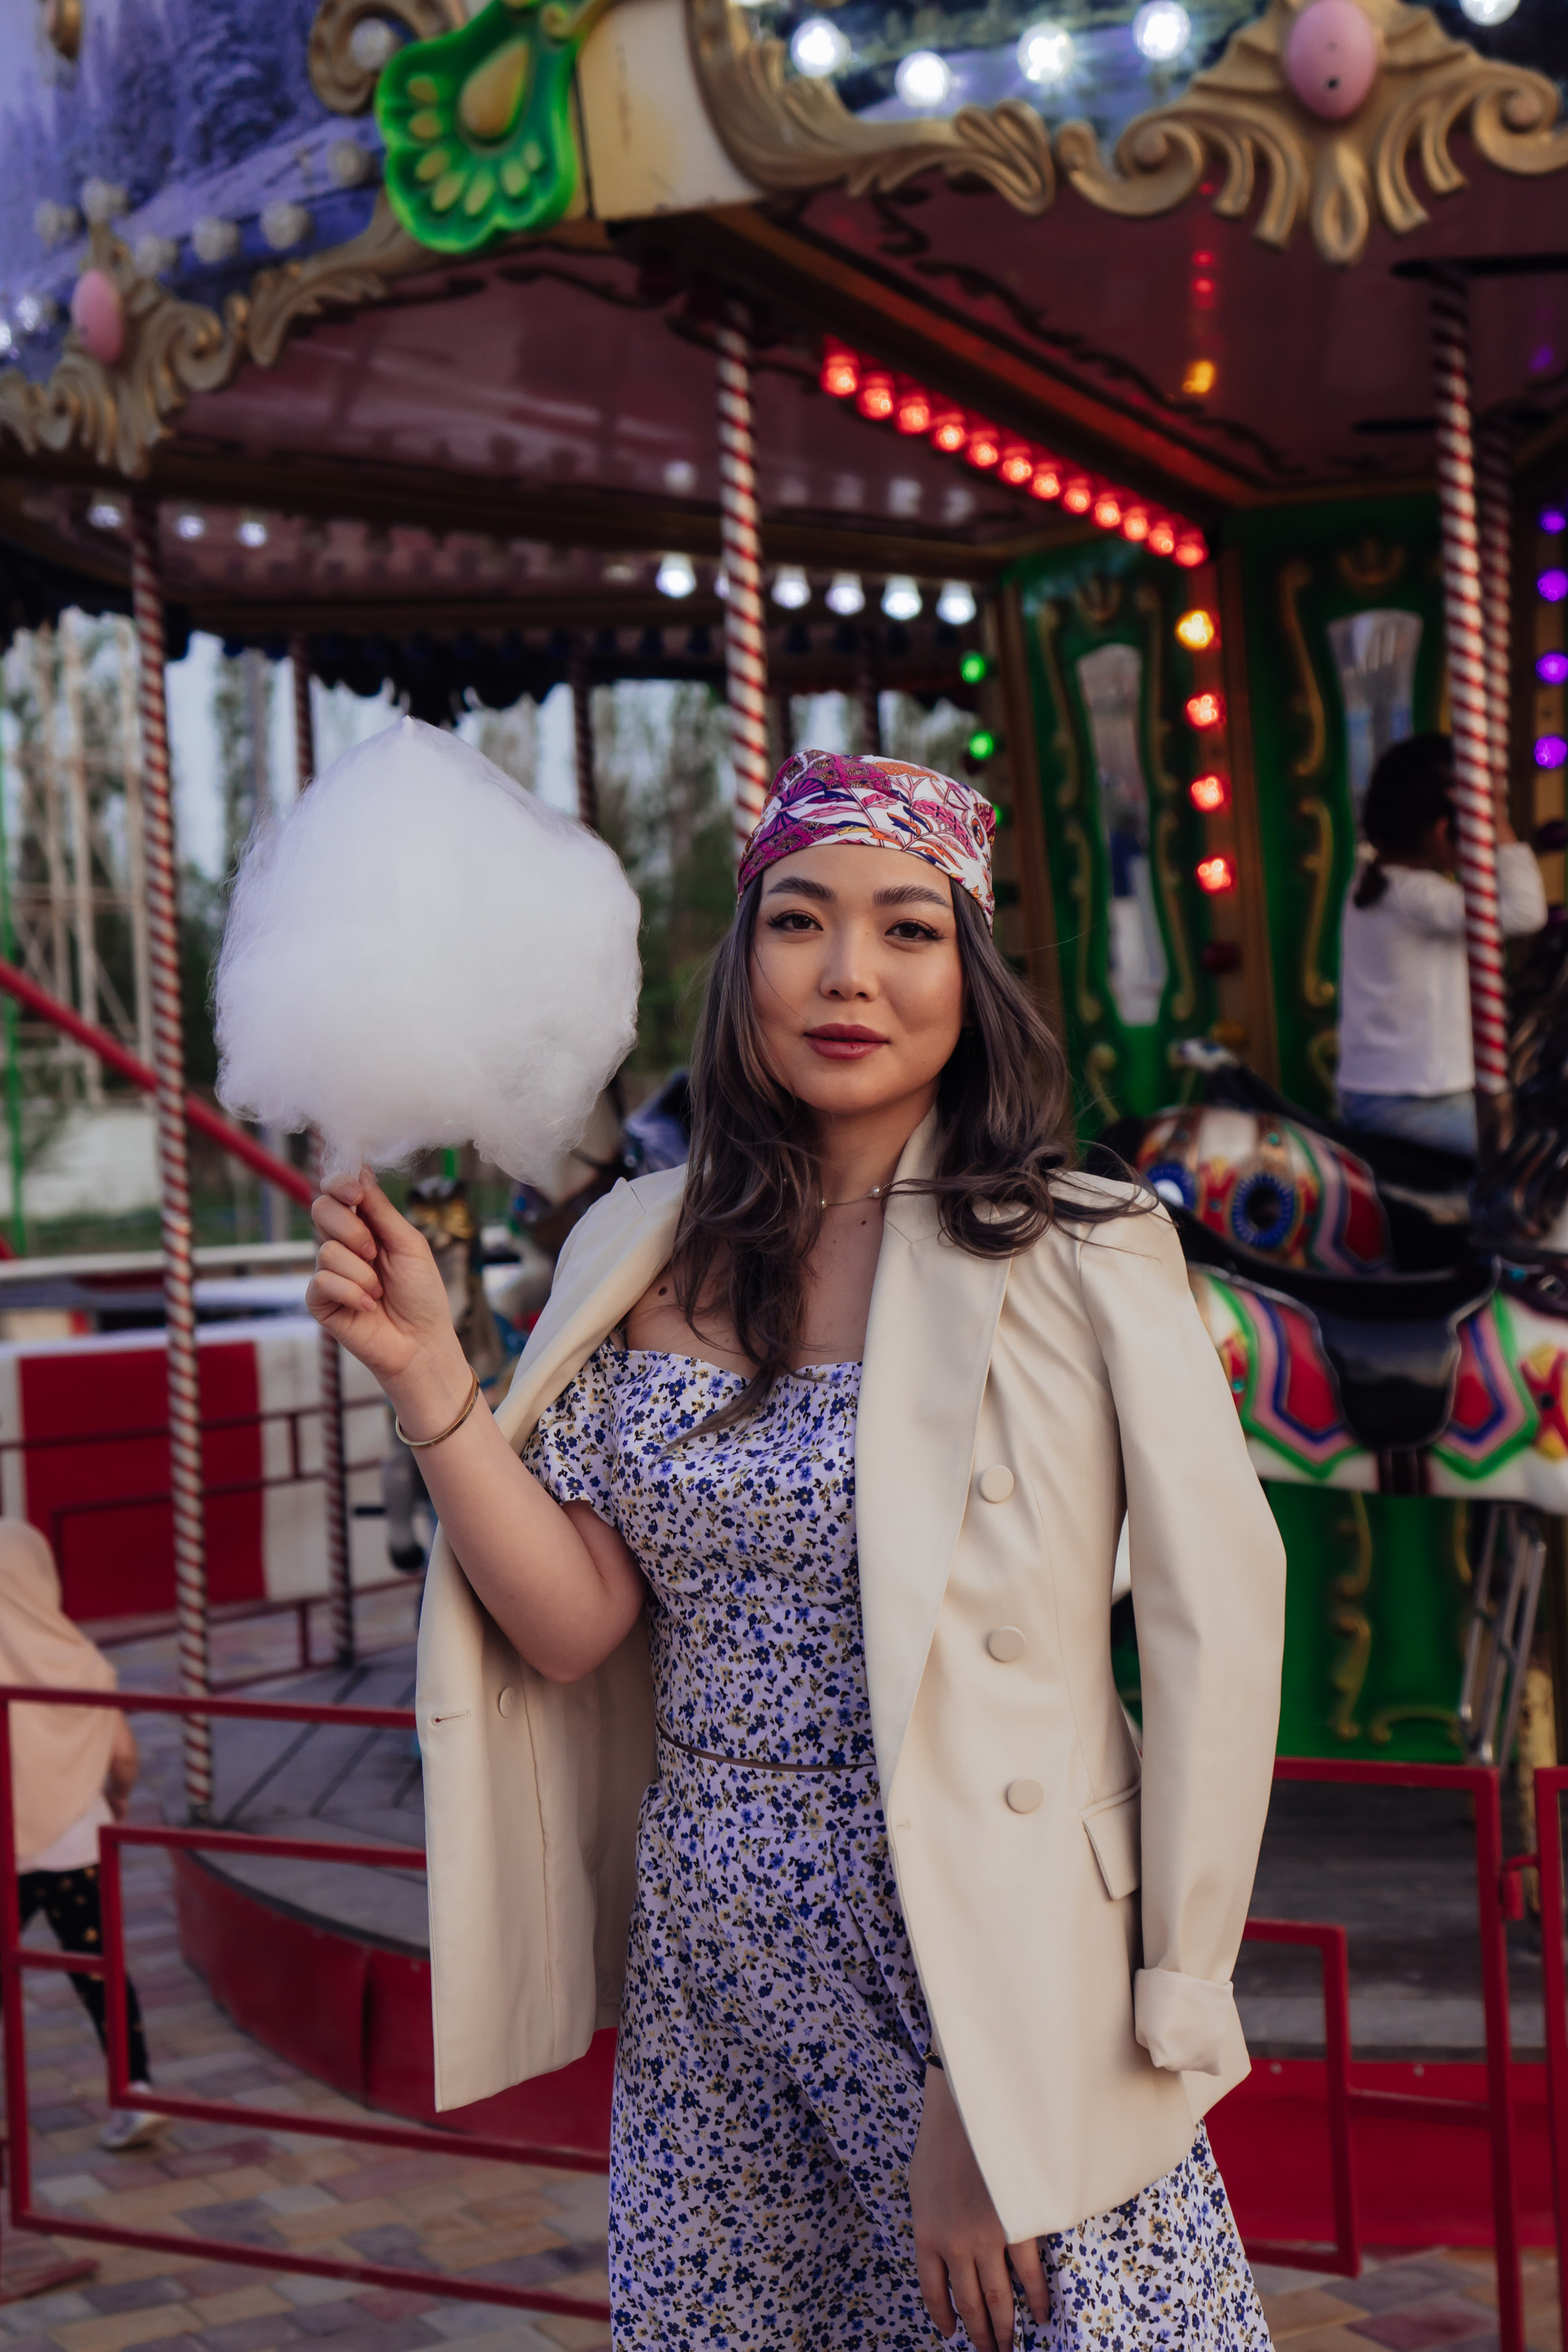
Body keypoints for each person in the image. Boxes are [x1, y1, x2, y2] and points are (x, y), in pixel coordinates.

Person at [308, 749, 1286, 2351]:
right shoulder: (636, 1246)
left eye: (909, 930)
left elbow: (1219, 1635)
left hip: (983, 1958)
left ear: (969, 973)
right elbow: (575, 1620)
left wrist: (1021, 2070)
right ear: (741, 957)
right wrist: (431, 1378)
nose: (849, 975)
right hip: (719, 1965)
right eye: (799, 922)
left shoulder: (1082, 1251)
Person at [0, 1521, 160, 2152]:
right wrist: (115, 1799)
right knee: (99, 1967)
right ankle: (136, 2090)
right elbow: (123, 1755)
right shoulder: (78, 1659)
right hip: (77, 1837)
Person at [1338, 732, 1547, 1156]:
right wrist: (1500, 822)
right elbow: (1526, 910)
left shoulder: (1375, 884)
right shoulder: (1415, 896)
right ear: (1441, 831)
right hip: (1411, 1103)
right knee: (1539, 1159)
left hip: (1390, 1095)